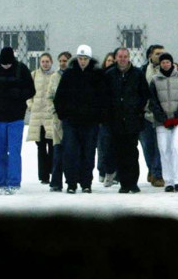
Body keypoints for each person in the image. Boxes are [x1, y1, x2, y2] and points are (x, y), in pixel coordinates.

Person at [0, 46, 36, 195]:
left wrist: (20, 93)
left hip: (16, 118)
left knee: (14, 151)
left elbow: (31, 90)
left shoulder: (21, 69)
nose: (6, 66)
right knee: (0, 152)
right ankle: (2, 181)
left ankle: (14, 182)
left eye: (8, 64)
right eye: (4, 64)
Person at [53, 44, 105, 194]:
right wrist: (63, 115)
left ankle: (86, 182)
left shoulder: (97, 75)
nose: (83, 61)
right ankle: (71, 183)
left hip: (90, 122)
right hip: (71, 122)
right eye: (80, 58)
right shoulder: (69, 75)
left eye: (85, 59)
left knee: (88, 153)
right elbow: (59, 98)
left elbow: (103, 97)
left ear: (90, 59)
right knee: (70, 152)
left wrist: (99, 117)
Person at [105, 45, 150, 193]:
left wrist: (138, 109)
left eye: (125, 57)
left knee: (132, 152)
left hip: (133, 120)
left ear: (128, 58)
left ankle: (133, 182)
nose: (123, 59)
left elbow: (145, 94)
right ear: (116, 58)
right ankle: (124, 183)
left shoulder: (137, 74)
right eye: (120, 57)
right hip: (116, 120)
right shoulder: (110, 74)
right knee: (119, 152)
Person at [147, 51, 178, 192]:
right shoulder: (154, 80)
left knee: (177, 147)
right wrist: (163, 118)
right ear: (160, 64)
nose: (166, 64)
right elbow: (153, 101)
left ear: (172, 63)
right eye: (163, 62)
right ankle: (169, 181)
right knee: (164, 149)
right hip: (162, 121)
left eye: (168, 62)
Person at [27, 52, 59, 185]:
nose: (45, 64)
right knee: (40, 147)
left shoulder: (55, 76)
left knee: (52, 146)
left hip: (50, 116)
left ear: (51, 62)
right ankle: (43, 175)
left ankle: (52, 171)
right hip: (37, 117)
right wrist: (30, 105)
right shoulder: (34, 75)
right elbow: (28, 93)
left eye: (47, 61)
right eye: (43, 61)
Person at [140, 44, 166, 187]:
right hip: (146, 114)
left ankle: (158, 174)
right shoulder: (143, 71)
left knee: (159, 146)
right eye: (157, 53)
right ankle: (151, 168)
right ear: (150, 55)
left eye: (162, 53)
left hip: (162, 115)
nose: (160, 56)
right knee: (147, 145)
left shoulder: (167, 69)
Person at [48, 52, 72, 193]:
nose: (63, 63)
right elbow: (50, 96)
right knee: (58, 151)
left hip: (71, 120)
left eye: (66, 60)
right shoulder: (54, 77)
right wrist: (54, 111)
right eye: (61, 60)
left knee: (71, 152)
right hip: (57, 119)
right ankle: (56, 182)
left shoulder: (74, 76)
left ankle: (71, 180)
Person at [97, 52, 118, 187]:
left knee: (114, 146)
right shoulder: (100, 77)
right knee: (103, 146)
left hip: (116, 117)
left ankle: (115, 172)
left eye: (112, 60)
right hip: (103, 117)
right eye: (108, 60)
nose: (110, 62)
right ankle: (102, 171)